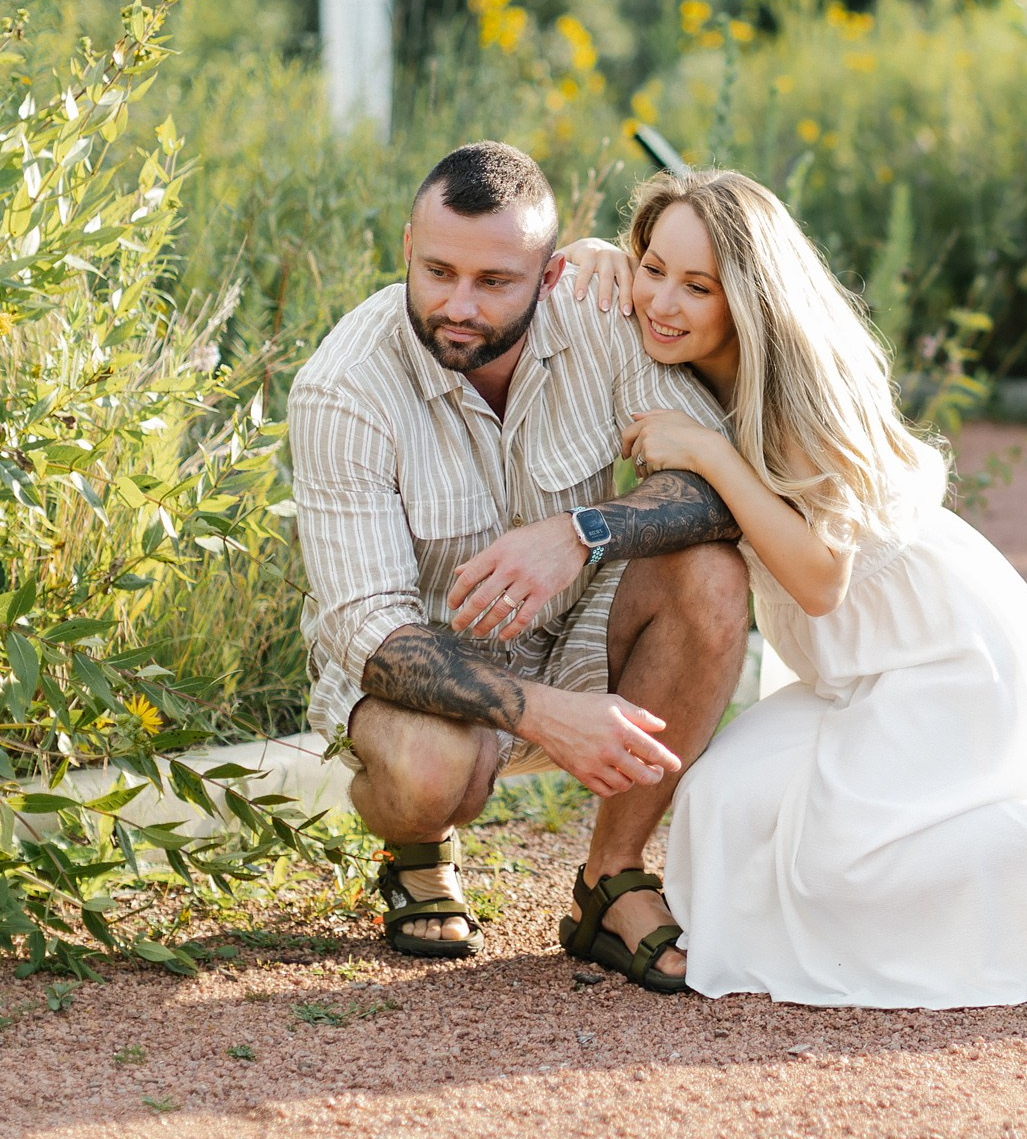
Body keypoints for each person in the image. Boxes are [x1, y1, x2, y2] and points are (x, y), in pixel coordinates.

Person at [559, 169, 1027, 1009]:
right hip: (853, 676)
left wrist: (710, 456)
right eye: (652, 267)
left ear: (747, 297)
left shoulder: (799, 386)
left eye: (696, 285)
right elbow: (609, 289)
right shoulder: (692, 355)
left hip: (943, 660)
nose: (660, 302)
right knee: (721, 804)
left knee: (844, 857)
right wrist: (600, 254)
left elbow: (821, 582)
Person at [288, 141, 746, 991]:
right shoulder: (342, 388)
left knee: (713, 571)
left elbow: (713, 487)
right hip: (421, 672)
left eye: (495, 281)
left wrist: (579, 530)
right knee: (433, 773)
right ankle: (417, 848)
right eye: (437, 271)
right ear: (406, 249)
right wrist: (545, 715)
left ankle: (611, 878)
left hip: (575, 624)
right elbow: (372, 634)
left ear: (550, 271)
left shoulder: (599, 312)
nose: (458, 304)